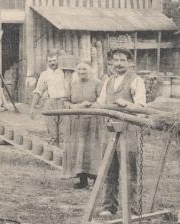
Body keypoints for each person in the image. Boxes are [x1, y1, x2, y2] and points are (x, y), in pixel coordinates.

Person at [95, 47, 146, 218]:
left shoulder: (136, 80)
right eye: (115, 60)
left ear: (130, 62)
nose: (118, 63)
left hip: (128, 131)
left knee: (129, 171)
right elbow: (100, 103)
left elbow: (140, 107)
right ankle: (109, 206)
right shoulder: (108, 81)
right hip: (110, 131)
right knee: (109, 169)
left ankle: (131, 209)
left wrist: (127, 104)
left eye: (122, 60)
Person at [63, 61, 103, 189]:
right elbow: (65, 101)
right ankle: (82, 179)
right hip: (76, 122)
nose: (81, 72)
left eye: (84, 69)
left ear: (90, 70)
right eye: (79, 69)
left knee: (92, 150)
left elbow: (102, 101)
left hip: (93, 122)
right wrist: (75, 106)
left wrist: (91, 105)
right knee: (78, 149)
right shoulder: (72, 84)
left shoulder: (98, 83)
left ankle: (96, 180)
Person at [30, 50, 69, 145]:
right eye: (50, 61)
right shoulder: (44, 75)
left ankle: (64, 157)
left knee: (64, 133)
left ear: (58, 60)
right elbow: (38, 91)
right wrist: (32, 107)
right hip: (50, 103)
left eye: (54, 60)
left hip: (64, 103)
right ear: (47, 62)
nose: (52, 63)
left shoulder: (65, 73)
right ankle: (53, 157)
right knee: (53, 134)